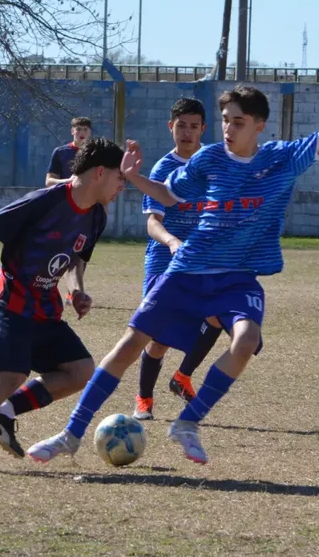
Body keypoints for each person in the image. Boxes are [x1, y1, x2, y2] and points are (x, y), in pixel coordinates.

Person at [27, 43, 319, 465]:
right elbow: (168, 194)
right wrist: (133, 177)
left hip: (236, 277)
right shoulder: (210, 159)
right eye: (225, 120)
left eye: (238, 122)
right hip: (187, 270)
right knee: (131, 343)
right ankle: (70, 434)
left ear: (259, 126)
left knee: (247, 340)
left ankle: (188, 423)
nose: (228, 128)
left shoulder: (284, 158)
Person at [0, 137, 126, 472]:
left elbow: (76, 258)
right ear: (100, 172)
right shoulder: (47, 201)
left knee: (81, 370)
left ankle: (4, 412)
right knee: (12, 375)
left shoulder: (96, 216)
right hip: (9, 299)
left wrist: (77, 291)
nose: (123, 185)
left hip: (44, 306)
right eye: (119, 177)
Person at [132, 98, 223, 421]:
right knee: (159, 339)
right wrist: (172, 241)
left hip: (201, 259)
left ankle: (183, 376)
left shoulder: (213, 162)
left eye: (193, 126)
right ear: (171, 127)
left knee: (218, 315)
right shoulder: (163, 169)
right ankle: (144, 398)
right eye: (181, 125)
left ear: (203, 129)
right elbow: (152, 222)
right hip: (164, 259)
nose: (187, 132)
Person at [45, 116, 92, 186]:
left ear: (90, 132)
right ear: (72, 131)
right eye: (78, 129)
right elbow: (49, 182)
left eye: (85, 129)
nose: (82, 132)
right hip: (66, 191)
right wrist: (68, 181)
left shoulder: (95, 152)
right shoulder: (60, 152)